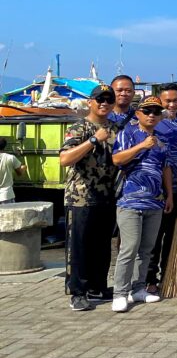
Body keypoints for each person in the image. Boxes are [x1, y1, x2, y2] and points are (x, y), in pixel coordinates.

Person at [111, 96, 173, 312]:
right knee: (129, 248)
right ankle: (120, 292)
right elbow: (117, 159)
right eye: (147, 111)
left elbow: (166, 168)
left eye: (156, 111)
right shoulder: (128, 133)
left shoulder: (162, 141)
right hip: (130, 201)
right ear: (137, 113)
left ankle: (138, 289)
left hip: (154, 203)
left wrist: (170, 195)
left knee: (146, 249)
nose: (152, 115)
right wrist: (141, 146)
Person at [60, 84, 119, 311]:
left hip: (107, 196)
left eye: (108, 99)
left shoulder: (117, 128)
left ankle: (97, 286)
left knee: (102, 246)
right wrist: (93, 140)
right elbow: (65, 159)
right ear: (90, 102)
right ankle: (78, 291)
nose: (104, 103)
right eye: (100, 99)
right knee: (79, 247)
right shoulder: (79, 127)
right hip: (80, 197)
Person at [146, 83, 177, 295]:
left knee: (173, 236)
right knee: (154, 238)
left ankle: (169, 276)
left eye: (176, 101)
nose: (172, 105)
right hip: (158, 191)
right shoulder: (152, 124)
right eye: (167, 101)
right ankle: (149, 279)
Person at [0, 138, 27, 204]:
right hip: (6, 195)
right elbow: (20, 173)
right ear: (4, 146)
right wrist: (24, 166)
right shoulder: (10, 158)